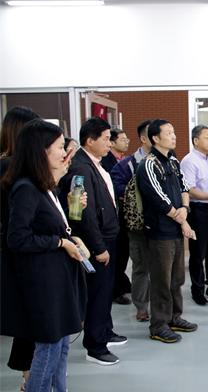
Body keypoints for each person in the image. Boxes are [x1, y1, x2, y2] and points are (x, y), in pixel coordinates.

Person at [2, 119, 87, 392]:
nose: (64, 154)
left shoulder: (45, 186)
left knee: (61, 347)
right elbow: (18, 238)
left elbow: (53, 225)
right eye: (60, 147)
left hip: (57, 278)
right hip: (42, 281)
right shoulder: (26, 188)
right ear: (41, 151)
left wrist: (69, 234)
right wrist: (60, 242)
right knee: (48, 349)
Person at [60, 117, 126, 366]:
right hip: (98, 240)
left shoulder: (95, 163)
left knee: (105, 291)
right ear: (90, 141)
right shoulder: (80, 168)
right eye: (106, 139)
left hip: (109, 235)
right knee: (98, 293)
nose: (110, 143)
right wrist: (98, 247)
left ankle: (105, 331)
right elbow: (83, 214)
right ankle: (95, 346)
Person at [136, 119, 198, 343]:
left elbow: (184, 187)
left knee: (177, 278)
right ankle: (159, 325)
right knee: (161, 280)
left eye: (174, 132)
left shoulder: (173, 160)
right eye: (169, 133)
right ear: (155, 138)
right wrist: (181, 218)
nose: (174, 136)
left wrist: (184, 209)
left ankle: (174, 317)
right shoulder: (148, 164)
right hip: (160, 231)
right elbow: (158, 199)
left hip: (176, 227)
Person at [0, 106, 41, 392]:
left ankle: (30, 373)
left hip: (17, 248)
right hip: (21, 250)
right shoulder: (12, 168)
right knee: (29, 317)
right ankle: (30, 377)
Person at [110, 119, 152, 321]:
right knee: (141, 266)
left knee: (164, 269)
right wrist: (135, 193)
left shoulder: (169, 162)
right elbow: (116, 187)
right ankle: (142, 307)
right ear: (144, 138)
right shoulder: (127, 164)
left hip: (164, 224)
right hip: (138, 225)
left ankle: (163, 306)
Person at [180, 124, 208, 305]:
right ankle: (197, 290)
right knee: (198, 253)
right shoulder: (189, 161)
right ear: (196, 140)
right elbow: (190, 190)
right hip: (198, 210)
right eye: (207, 137)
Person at [102, 127, 133, 306]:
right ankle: (116, 290)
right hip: (114, 215)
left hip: (124, 215)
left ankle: (121, 282)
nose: (126, 142)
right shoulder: (107, 162)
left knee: (123, 253)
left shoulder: (124, 160)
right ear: (112, 143)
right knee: (117, 254)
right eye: (122, 139)